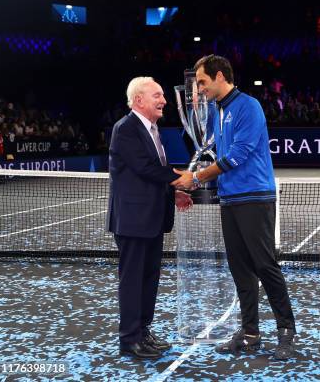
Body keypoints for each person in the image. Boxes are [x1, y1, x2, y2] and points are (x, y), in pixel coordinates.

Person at [174, 55, 296, 360]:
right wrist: (198, 176)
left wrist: (198, 177)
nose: (199, 89)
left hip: (254, 196)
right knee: (240, 269)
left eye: (202, 82)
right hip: (229, 199)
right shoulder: (216, 112)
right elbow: (216, 153)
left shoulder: (249, 106)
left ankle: (286, 329)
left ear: (219, 77)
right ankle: (250, 333)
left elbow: (238, 155)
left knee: (265, 265)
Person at [107, 76, 193, 359]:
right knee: (132, 282)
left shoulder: (153, 130)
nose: (164, 100)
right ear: (139, 100)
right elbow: (145, 168)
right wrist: (182, 179)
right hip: (133, 221)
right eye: (157, 95)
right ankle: (129, 339)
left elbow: (150, 174)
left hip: (152, 219)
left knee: (149, 279)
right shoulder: (126, 129)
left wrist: (174, 193)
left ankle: (143, 331)